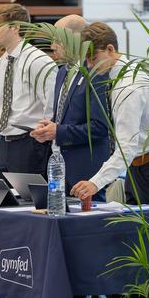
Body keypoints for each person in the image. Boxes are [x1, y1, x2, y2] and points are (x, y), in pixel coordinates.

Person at [70, 22, 149, 298]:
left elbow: (126, 148)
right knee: (135, 241)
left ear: (111, 50)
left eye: (92, 59)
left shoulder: (130, 84)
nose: (89, 67)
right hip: (142, 168)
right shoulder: (116, 76)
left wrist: (94, 182)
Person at [30, 19, 110, 201]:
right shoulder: (62, 72)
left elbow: (100, 127)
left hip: (85, 171)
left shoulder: (95, 73)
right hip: (59, 167)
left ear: (75, 39)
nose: (52, 46)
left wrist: (59, 131)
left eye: (57, 40)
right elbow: (64, 118)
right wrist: (49, 129)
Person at [0, 4, 56, 174]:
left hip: (31, 142)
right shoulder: (0, 64)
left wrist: (43, 138)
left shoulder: (38, 60)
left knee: (28, 199)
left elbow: (52, 105)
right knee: (7, 199)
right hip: (4, 142)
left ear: (15, 27)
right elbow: (1, 103)